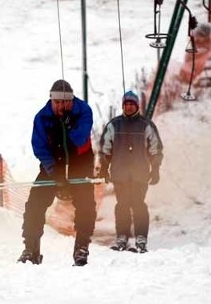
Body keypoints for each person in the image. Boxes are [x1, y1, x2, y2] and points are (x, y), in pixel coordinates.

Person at [18, 79, 97, 266]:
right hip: (53, 164)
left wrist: (69, 125)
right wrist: (54, 171)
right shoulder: (41, 118)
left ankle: (81, 247)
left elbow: (80, 139)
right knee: (34, 204)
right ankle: (31, 248)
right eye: (57, 102)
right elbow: (39, 147)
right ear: (51, 100)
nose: (61, 106)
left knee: (86, 205)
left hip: (80, 164)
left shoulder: (84, 111)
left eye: (65, 102)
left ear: (72, 100)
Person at [98, 91, 163, 253]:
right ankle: (122, 236)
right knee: (122, 205)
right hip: (120, 174)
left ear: (136, 106)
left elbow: (155, 149)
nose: (128, 107)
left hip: (140, 174)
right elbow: (105, 149)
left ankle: (141, 237)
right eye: (126, 104)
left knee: (138, 204)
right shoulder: (114, 125)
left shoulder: (146, 125)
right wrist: (104, 168)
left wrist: (155, 169)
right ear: (123, 106)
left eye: (131, 104)